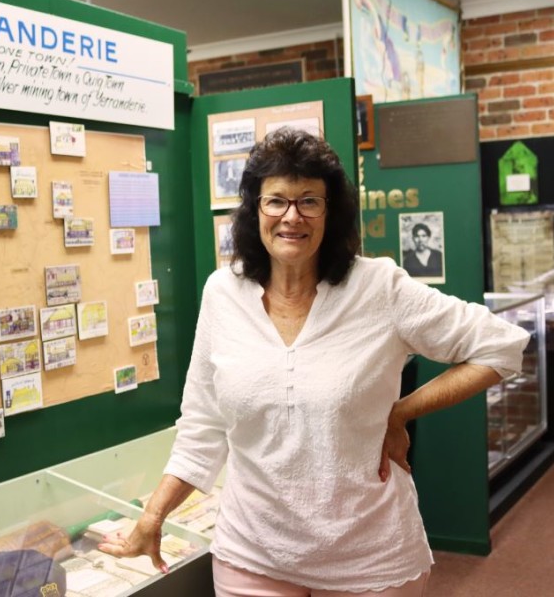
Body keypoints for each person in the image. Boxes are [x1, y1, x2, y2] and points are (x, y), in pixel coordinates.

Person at [100, 128, 529, 596]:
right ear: (254, 210)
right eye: (276, 201)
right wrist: (153, 517)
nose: (292, 216)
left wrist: (401, 410)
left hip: (369, 561)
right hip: (252, 555)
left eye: (309, 201)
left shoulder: (379, 289)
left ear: (331, 213)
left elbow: (501, 345)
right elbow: (202, 425)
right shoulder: (223, 294)